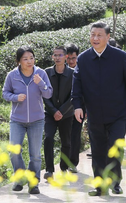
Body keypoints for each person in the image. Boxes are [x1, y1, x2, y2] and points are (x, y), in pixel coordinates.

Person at [72, 22, 126, 196]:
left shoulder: (120, 56)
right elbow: (77, 84)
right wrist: (78, 106)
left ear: (108, 37)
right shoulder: (83, 59)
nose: (95, 38)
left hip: (118, 113)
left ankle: (115, 181)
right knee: (98, 150)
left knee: (114, 148)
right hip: (94, 113)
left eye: (99, 35)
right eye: (92, 35)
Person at [2, 46, 53, 194]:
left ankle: (33, 183)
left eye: (31, 58)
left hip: (37, 120)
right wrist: (15, 98)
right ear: (19, 61)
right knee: (14, 151)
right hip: (17, 120)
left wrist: (41, 83)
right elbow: (5, 93)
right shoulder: (12, 76)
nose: (29, 61)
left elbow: (49, 94)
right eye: (25, 59)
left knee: (35, 155)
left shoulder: (41, 73)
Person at [43, 46, 74, 180]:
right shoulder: (47, 72)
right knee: (48, 138)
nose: (57, 58)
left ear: (66, 57)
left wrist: (61, 111)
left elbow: (74, 95)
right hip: (50, 113)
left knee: (66, 141)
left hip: (67, 114)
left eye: (60, 55)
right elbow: (44, 94)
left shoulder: (73, 73)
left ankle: (64, 167)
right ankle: (49, 169)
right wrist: (54, 111)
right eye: (55, 55)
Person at [65, 43, 83, 173]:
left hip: (78, 109)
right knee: (64, 137)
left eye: (74, 58)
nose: (71, 61)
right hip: (63, 110)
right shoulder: (61, 70)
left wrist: (85, 109)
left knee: (75, 136)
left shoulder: (83, 69)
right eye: (69, 58)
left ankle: (73, 162)